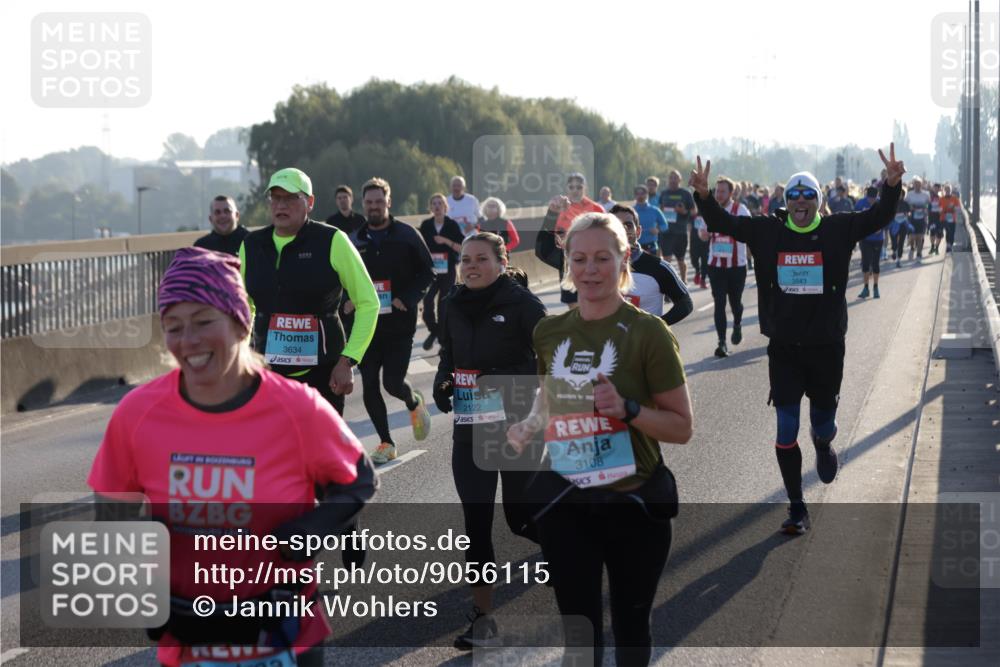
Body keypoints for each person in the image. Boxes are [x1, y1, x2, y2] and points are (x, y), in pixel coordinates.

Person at [88, 247, 377, 667]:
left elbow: (358, 480)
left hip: (284, 635)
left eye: (205, 322)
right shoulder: (137, 413)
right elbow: (113, 516)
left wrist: (312, 529)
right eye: (173, 326)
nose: (188, 341)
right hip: (190, 640)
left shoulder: (297, 408)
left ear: (241, 324)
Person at [506, 211, 693, 667]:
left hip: (634, 503)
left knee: (630, 631)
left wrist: (628, 409)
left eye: (602, 258)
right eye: (580, 258)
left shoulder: (650, 332)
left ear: (623, 259)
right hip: (569, 502)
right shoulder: (549, 332)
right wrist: (528, 425)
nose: (590, 270)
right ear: (567, 263)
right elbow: (551, 398)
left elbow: (682, 427)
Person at [688, 144, 904, 534]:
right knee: (785, 430)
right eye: (794, 196)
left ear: (818, 201)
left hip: (826, 347)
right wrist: (703, 196)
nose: (801, 202)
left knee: (823, 423)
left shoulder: (837, 229)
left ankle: (823, 443)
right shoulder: (767, 231)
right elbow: (722, 222)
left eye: (808, 196)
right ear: (786, 202)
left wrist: (891, 185)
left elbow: (880, 216)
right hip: (785, 349)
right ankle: (797, 508)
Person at [432, 232, 547, 650]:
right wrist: (443, 382)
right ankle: (484, 619)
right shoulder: (452, 303)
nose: (471, 266)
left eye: (481, 259)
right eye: (465, 260)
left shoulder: (524, 305)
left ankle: (567, 547)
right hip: (470, 427)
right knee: (476, 524)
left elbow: (545, 362)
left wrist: (497, 378)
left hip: (516, 425)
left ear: (502, 261)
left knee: (520, 519)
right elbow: (449, 353)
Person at [239, 168, 379, 416]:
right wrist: (240, 355)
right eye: (275, 198)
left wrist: (348, 360)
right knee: (273, 451)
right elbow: (243, 306)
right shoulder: (251, 245)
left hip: (324, 375)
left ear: (310, 202)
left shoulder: (333, 241)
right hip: (268, 374)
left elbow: (368, 303)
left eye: (291, 198)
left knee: (321, 454)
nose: (281, 205)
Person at [351, 177, 434, 463]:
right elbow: (340, 277)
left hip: (399, 323)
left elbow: (428, 272)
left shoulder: (407, 235)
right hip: (366, 325)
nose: (374, 207)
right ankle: (386, 443)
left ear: (389, 202)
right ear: (363, 204)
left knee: (392, 383)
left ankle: (413, 401)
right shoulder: (354, 240)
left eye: (379, 202)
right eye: (369, 202)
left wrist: (407, 298)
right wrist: (346, 302)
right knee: (370, 383)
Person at [610, 203, 693, 324]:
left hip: (647, 342)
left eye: (628, 225)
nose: (623, 230)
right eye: (616, 225)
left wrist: (657, 327)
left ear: (638, 232)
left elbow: (685, 304)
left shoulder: (658, 267)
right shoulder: (595, 266)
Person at [698, 177, 750, 358]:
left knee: (735, 302)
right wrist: (704, 234)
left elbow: (749, 231)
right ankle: (721, 342)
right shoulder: (709, 209)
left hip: (737, 266)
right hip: (716, 265)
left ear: (731, 192)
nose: (719, 194)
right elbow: (702, 234)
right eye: (717, 191)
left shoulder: (740, 209)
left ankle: (737, 323)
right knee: (719, 302)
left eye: (722, 191)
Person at [418, 193, 465, 350]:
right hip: (431, 271)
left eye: (440, 203)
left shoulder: (452, 225)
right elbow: (418, 248)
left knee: (444, 307)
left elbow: (462, 247)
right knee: (427, 306)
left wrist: (446, 241)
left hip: (448, 270)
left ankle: (444, 343)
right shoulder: (425, 225)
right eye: (434, 204)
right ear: (430, 207)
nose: (437, 206)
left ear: (445, 207)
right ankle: (436, 332)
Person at [657, 170, 696, 284]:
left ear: (680, 180)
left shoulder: (686, 193)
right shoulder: (664, 193)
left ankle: (683, 280)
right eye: (671, 178)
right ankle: (669, 284)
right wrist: (662, 211)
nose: (673, 180)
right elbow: (659, 209)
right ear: (668, 180)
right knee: (666, 260)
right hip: (666, 232)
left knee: (680, 260)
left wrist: (683, 211)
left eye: (675, 178)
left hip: (680, 232)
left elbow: (694, 211)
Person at [856, 186, 884, 299]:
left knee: (875, 263)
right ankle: (866, 287)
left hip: (877, 238)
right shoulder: (860, 203)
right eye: (869, 198)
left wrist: (881, 227)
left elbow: (887, 218)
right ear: (866, 195)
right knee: (865, 263)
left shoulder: (881, 204)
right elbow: (855, 216)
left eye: (873, 198)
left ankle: (876, 287)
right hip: (865, 238)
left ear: (876, 196)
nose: (870, 200)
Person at [633, 184, 669, 255]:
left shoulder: (654, 210)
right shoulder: (631, 211)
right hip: (635, 246)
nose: (640, 196)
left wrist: (658, 230)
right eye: (638, 194)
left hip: (651, 246)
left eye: (642, 193)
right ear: (635, 196)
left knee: (652, 266)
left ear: (647, 195)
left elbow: (665, 225)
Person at [904, 177, 930, 260]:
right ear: (913, 185)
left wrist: (926, 209)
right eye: (915, 184)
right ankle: (912, 247)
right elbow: (905, 205)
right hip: (912, 218)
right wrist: (910, 208)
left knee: (920, 236)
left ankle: (919, 253)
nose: (917, 186)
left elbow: (929, 205)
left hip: (922, 218)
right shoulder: (909, 194)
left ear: (921, 185)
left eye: (919, 184)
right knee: (912, 236)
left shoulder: (926, 194)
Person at [890, 188, 911, 269]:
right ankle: (894, 250)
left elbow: (909, 212)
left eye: (901, 194)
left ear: (903, 195)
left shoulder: (906, 203)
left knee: (901, 242)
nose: (899, 196)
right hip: (894, 224)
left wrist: (907, 214)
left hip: (903, 224)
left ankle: (899, 260)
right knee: (894, 240)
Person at [939, 183, 962, 252]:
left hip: (952, 218)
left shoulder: (954, 199)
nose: (947, 191)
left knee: (952, 232)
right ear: (944, 191)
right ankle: (948, 245)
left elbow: (958, 208)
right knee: (947, 231)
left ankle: (950, 244)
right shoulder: (941, 199)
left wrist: (953, 208)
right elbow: (939, 208)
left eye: (948, 190)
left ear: (951, 190)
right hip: (944, 218)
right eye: (946, 190)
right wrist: (943, 209)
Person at [927, 182, 944, 255]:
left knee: (939, 233)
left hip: (940, 217)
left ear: (940, 189)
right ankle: (932, 246)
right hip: (932, 217)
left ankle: (937, 248)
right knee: (932, 232)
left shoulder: (942, 196)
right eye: (935, 188)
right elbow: (927, 205)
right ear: (933, 188)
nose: (936, 189)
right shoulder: (930, 196)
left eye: (937, 188)